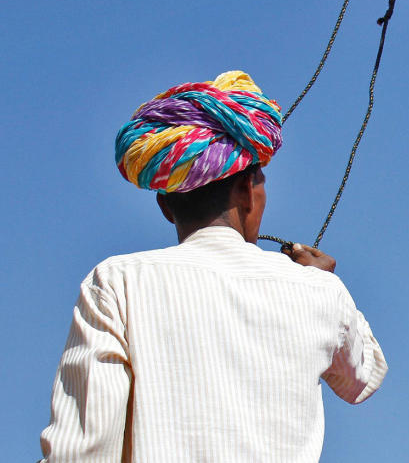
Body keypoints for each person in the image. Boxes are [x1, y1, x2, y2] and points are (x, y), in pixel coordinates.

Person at [39, 71, 387, 462]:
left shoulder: (118, 282)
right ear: (245, 192)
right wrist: (324, 284)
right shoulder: (317, 289)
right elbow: (363, 378)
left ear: (166, 206)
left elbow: (80, 451)